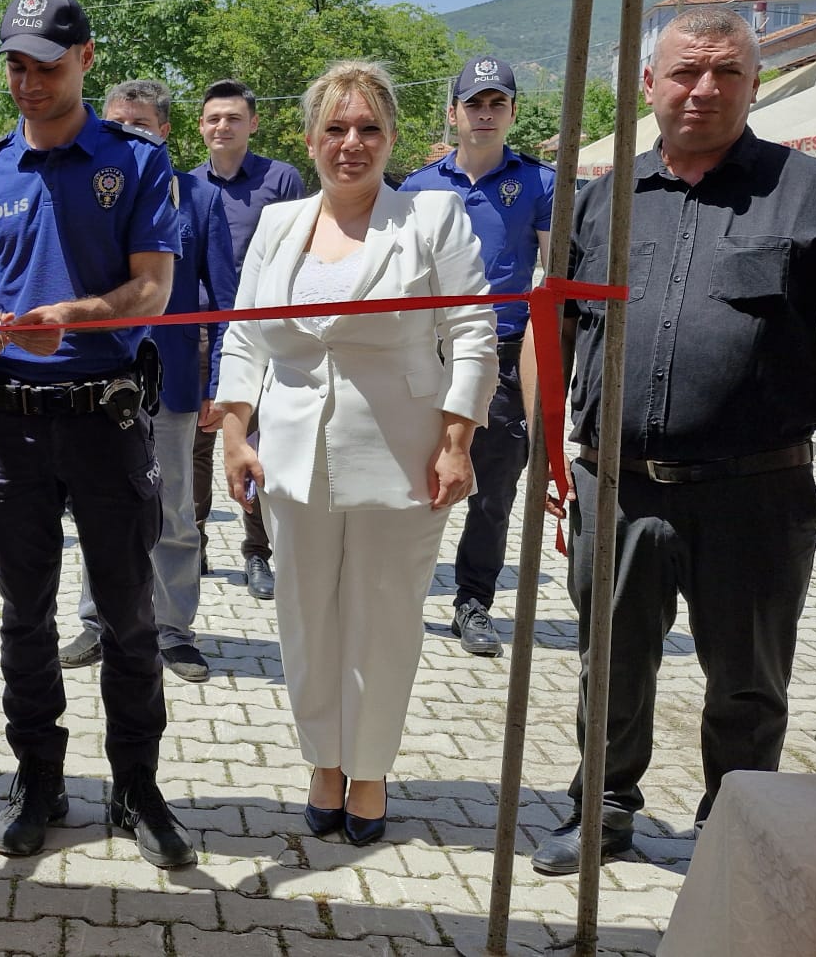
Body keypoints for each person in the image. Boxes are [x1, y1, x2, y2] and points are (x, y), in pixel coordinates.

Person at [532, 8, 816, 875]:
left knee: (748, 680)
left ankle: (736, 826)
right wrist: (555, 457)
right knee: (608, 667)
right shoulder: (603, 197)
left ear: (753, 84)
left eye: (725, 72)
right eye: (684, 72)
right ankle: (604, 809)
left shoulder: (811, 191)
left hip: (754, 491)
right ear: (649, 84)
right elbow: (560, 327)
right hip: (618, 483)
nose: (703, 89)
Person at [0, 0, 191, 869]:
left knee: (128, 618)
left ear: (85, 59)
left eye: (45, 64)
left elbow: (152, 290)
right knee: (25, 617)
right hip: (11, 425)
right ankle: (38, 781)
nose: (27, 81)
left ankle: (137, 787)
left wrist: (76, 315)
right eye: (15, 63)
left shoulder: (137, 163)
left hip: (106, 419)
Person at [216, 60, 497, 847]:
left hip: (402, 455)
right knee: (306, 619)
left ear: (393, 137)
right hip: (292, 458)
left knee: (383, 620)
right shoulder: (278, 225)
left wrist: (455, 441)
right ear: (309, 138)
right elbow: (243, 335)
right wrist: (236, 434)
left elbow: (473, 334)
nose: (352, 143)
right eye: (336, 128)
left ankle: (369, 769)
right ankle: (324, 763)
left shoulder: (433, 219)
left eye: (369, 127)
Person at [62, 80, 237, 684]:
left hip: (173, 380)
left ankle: (173, 629)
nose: (127, 133)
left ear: (164, 131)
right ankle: (98, 620)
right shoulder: (86, 190)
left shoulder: (198, 198)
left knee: (173, 510)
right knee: (97, 503)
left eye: (139, 124)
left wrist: (223, 381)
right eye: (117, 123)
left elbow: (223, 299)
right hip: (97, 376)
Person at [399, 56, 556, 658]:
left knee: (491, 492)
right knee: (414, 483)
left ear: (513, 112)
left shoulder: (539, 184)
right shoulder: (418, 188)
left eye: (497, 104)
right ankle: (400, 596)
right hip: (429, 354)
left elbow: (555, 276)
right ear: (453, 112)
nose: (484, 115)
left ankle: (473, 601)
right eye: (474, 103)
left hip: (505, 356)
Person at [189, 80, 304, 599]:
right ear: (200, 126)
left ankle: (258, 553)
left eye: (233, 118)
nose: (223, 126)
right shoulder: (184, 186)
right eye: (214, 118)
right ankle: (191, 546)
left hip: (259, 333)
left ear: (253, 124)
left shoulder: (281, 180)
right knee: (195, 446)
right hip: (198, 333)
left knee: (258, 444)